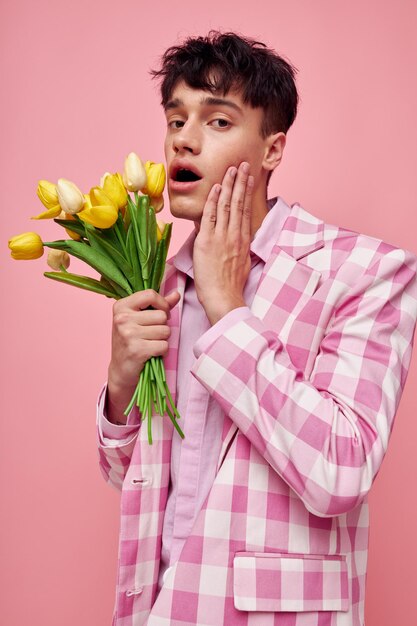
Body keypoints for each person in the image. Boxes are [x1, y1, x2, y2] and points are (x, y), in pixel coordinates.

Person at [96, 30, 417, 626]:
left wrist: (227, 309)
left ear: (272, 150)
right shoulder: (159, 282)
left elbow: (341, 471)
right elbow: (130, 479)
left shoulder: (363, 272)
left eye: (218, 122)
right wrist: (119, 388)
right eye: (175, 120)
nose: (184, 140)